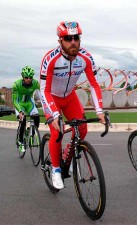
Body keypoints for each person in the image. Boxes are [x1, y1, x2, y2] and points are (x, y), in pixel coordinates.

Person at [40, 21, 105, 189]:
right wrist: (54, 114)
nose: (73, 42)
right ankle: (55, 170)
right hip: (52, 96)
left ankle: (69, 150)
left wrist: (99, 110)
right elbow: (44, 90)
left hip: (69, 97)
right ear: (60, 41)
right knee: (57, 131)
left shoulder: (86, 57)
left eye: (76, 38)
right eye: (68, 38)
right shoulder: (50, 59)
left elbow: (94, 84)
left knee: (82, 129)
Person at [12, 66, 40, 153]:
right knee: (23, 120)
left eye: (30, 77)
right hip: (19, 104)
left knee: (37, 117)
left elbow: (43, 94)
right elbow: (15, 100)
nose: (28, 79)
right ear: (22, 77)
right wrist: (20, 111)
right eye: (26, 77)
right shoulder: (16, 85)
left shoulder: (35, 83)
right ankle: (20, 142)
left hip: (29, 103)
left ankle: (32, 133)